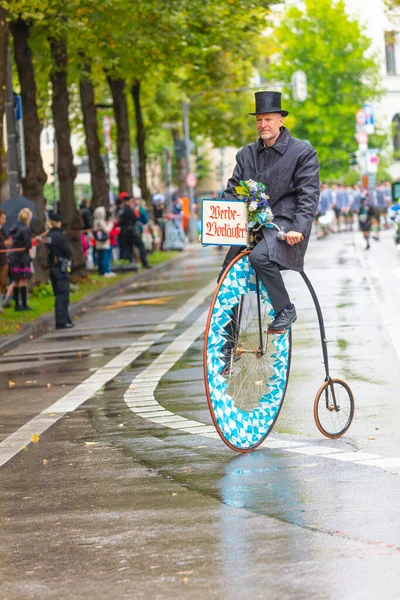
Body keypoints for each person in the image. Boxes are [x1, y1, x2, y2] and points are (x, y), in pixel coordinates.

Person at [220, 91, 320, 332]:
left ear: (281, 120)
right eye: (259, 120)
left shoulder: (302, 152)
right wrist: (214, 225)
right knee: (226, 275)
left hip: (284, 222)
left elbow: (308, 195)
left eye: (268, 119)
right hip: (251, 224)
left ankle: (285, 308)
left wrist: (299, 228)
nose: (263, 125)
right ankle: (226, 342)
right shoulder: (246, 154)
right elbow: (232, 191)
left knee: (259, 257)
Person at [44, 212, 74, 329]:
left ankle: (64, 319)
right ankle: (62, 321)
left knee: (58, 294)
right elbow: (68, 251)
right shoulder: (59, 236)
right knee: (63, 294)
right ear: (58, 223)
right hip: (60, 266)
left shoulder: (49, 236)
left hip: (53, 266)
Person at [8, 208, 33, 311]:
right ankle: (24, 304)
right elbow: (28, 244)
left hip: (14, 258)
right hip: (22, 259)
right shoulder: (25, 229)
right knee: (23, 280)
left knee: (16, 280)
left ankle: (17, 305)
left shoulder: (14, 228)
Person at [93, 206, 115, 277]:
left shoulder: (95, 221)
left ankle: (103, 271)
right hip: (103, 242)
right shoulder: (100, 221)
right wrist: (111, 224)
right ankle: (105, 271)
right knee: (104, 257)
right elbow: (107, 230)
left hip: (99, 242)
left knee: (102, 257)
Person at [0, 210, 9, 309]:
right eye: (3, 218)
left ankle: (0, 305)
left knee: (3, 282)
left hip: (3, 259)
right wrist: (4, 244)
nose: (4, 220)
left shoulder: (3, 230)